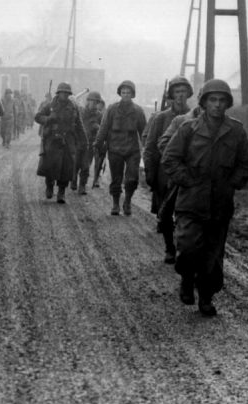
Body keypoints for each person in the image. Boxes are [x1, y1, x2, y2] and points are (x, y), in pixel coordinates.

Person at [161, 78, 248, 316]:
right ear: (203, 102)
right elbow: (169, 159)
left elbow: (246, 162)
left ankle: (205, 297)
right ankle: (186, 278)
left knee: (212, 257)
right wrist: (188, 180)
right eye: (212, 100)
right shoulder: (188, 129)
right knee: (189, 248)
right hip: (191, 201)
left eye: (222, 100)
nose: (217, 105)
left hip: (220, 204)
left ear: (227, 104)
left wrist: (233, 183)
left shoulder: (236, 131)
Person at [142, 76, 194, 264]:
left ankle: (182, 248)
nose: (180, 96)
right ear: (171, 95)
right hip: (164, 174)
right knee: (164, 214)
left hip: (185, 174)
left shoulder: (195, 116)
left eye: (183, 92)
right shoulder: (161, 118)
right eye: (176, 92)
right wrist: (150, 172)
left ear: (189, 94)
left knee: (185, 215)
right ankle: (169, 248)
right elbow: (150, 147)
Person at [94, 80, 147, 216]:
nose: (126, 95)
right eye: (123, 92)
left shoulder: (138, 111)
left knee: (132, 179)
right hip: (115, 149)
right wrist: (98, 143)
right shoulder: (112, 109)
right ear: (120, 94)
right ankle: (116, 204)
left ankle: (127, 201)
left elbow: (144, 132)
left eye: (128, 93)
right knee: (116, 179)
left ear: (132, 94)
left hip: (132, 150)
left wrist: (147, 148)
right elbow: (104, 128)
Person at [34, 82, 88, 204]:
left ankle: (61, 192)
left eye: (67, 93)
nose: (64, 95)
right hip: (52, 140)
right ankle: (49, 186)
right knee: (49, 165)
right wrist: (48, 119)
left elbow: (79, 125)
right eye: (62, 92)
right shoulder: (50, 106)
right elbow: (37, 117)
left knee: (67, 167)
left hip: (68, 140)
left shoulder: (73, 107)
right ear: (58, 93)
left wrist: (84, 141)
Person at [75, 91, 104, 195]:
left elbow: (103, 130)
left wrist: (98, 127)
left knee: (86, 166)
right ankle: (73, 180)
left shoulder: (100, 115)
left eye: (96, 102)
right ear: (88, 101)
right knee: (76, 164)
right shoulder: (81, 112)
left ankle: (82, 186)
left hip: (90, 145)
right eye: (92, 101)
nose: (94, 104)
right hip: (78, 143)